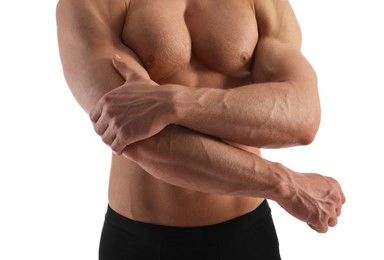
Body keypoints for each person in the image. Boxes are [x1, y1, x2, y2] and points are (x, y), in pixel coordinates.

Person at [56, 0, 346, 259]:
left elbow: (303, 116)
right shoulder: (89, 3)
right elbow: (132, 133)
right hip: (140, 242)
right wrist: (284, 184)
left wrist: (174, 102)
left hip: (245, 236)